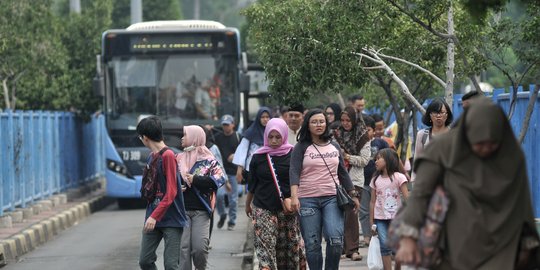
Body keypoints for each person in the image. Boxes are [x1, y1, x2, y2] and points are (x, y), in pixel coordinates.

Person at [395, 97, 540, 269]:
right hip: (454, 239)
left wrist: (528, 241)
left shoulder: (511, 156)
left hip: (502, 243)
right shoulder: (441, 150)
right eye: (479, 144)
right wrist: (408, 237)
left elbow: (521, 203)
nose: (485, 149)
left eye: (491, 144)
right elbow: (421, 194)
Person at [289, 108, 360, 270]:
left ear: (326, 124)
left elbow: (342, 172)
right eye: (314, 122)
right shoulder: (300, 147)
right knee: (312, 243)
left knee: (335, 239)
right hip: (307, 200)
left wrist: (353, 194)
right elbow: (294, 171)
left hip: (332, 199)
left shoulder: (334, 145)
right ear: (307, 125)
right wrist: (294, 196)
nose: (318, 124)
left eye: (321, 121)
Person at [245, 118, 307, 270]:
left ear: (284, 136)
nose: (273, 140)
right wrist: (248, 204)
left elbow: (301, 180)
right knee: (265, 247)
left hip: (287, 210)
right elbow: (252, 185)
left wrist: (296, 199)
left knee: (289, 248)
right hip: (263, 208)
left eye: (278, 137)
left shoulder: (293, 154)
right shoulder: (258, 157)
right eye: (270, 137)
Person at [137, 116, 188, 270]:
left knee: (171, 266)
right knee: (145, 261)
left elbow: (171, 192)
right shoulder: (152, 157)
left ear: (145, 138)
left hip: (171, 219)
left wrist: (154, 216)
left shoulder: (168, 156)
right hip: (153, 216)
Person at [178, 125, 226, 270]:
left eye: (185, 135)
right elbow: (170, 181)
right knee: (183, 249)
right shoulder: (178, 159)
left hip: (201, 211)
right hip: (181, 210)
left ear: (194, 138)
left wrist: (196, 180)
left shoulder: (209, 160)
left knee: (200, 249)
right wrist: (177, 187)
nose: (182, 138)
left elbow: (220, 178)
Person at [333, 105, 371, 261]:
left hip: (355, 180)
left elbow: (364, 160)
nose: (345, 123)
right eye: (342, 120)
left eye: (348, 120)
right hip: (337, 179)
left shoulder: (362, 136)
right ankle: (342, 248)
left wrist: (346, 157)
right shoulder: (336, 135)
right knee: (337, 214)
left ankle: (353, 249)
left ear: (355, 120)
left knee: (352, 214)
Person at [369, 148, 409, 270]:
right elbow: (372, 202)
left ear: (388, 160)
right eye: (375, 159)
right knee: (384, 247)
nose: (375, 161)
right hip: (380, 219)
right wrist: (371, 221)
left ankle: (398, 267)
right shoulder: (375, 180)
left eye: (378, 158)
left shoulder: (399, 177)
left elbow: (407, 198)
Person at [359, 115, 389, 248]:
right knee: (364, 210)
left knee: (382, 207)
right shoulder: (357, 144)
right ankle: (367, 236)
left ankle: (384, 234)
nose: (366, 132)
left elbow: (391, 157)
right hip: (364, 182)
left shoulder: (380, 143)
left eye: (369, 129)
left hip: (380, 182)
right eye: (363, 129)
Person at [233, 107, 271, 198]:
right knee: (254, 192)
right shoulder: (250, 132)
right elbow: (242, 150)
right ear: (258, 118)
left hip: (269, 168)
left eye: (267, 117)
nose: (265, 119)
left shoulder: (274, 132)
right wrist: (239, 170)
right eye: (262, 117)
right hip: (252, 168)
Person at [412, 98, 453, 181]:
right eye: (435, 112)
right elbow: (417, 160)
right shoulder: (422, 135)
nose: (438, 116)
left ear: (447, 114)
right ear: (430, 115)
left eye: (441, 112)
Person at [214, 115, 242, 230]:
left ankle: (232, 221)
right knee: (219, 196)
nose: (226, 127)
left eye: (228, 124)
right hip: (220, 172)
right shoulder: (217, 137)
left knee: (233, 199)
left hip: (234, 172)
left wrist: (235, 157)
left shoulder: (238, 137)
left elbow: (244, 153)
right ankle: (222, 214)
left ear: (233, 124)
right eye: (224, 124)